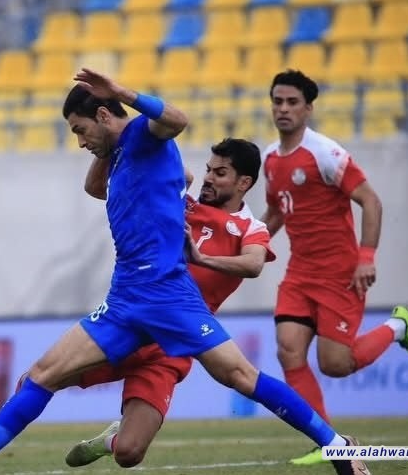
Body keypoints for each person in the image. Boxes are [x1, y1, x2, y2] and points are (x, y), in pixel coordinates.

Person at [0, 69, 369, 475]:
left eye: (80, 130)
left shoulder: (144, 138)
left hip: (169, 295)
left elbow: (177, 120)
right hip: (127, 296)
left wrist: (119, 96)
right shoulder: (121, 156)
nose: (79, 141)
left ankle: (337, 446)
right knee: (42, 373)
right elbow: (94, 186)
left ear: (103, 114)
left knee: (240, 377)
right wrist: (104, 138)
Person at [61, 138, 276, 468]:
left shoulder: (251, 228)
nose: (209, 178)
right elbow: (97, 188)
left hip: (171, 348)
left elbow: (253, 265)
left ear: (243, 183)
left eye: (220, 173)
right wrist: (115, 142)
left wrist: (202, 258)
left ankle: (110, 440)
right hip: (130, 324)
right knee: (38, 380)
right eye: (208, 169)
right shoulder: (179, 202)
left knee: (128, 454)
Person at [260, 69, 408, 465]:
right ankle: (330, 442)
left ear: (308, 109)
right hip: (300, 273)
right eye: (278, 101)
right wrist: (248, 243)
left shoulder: (325, 154)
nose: (283, 109)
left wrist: (366, 257)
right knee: (288, 352)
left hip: (340, 273)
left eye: (292, 102)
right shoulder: (269, 159)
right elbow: (275, 212)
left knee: (335, 364)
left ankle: (399, 326)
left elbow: (371, 201)